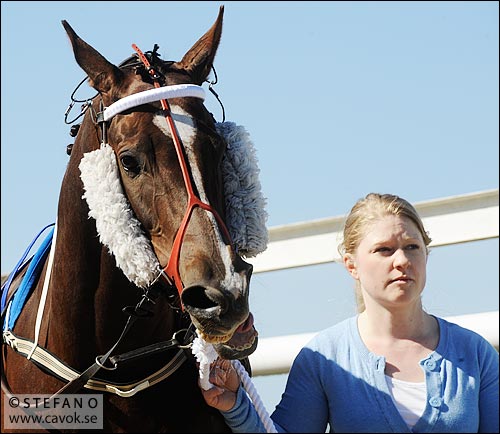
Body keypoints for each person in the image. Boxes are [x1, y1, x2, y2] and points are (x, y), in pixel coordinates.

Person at [200, 192, 499, 433]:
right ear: (351, 264)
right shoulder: (324, 357)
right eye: (384, 250)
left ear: (426, 254)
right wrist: (236, 405)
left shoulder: (475, 354)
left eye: (412, 247)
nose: (402, 261)